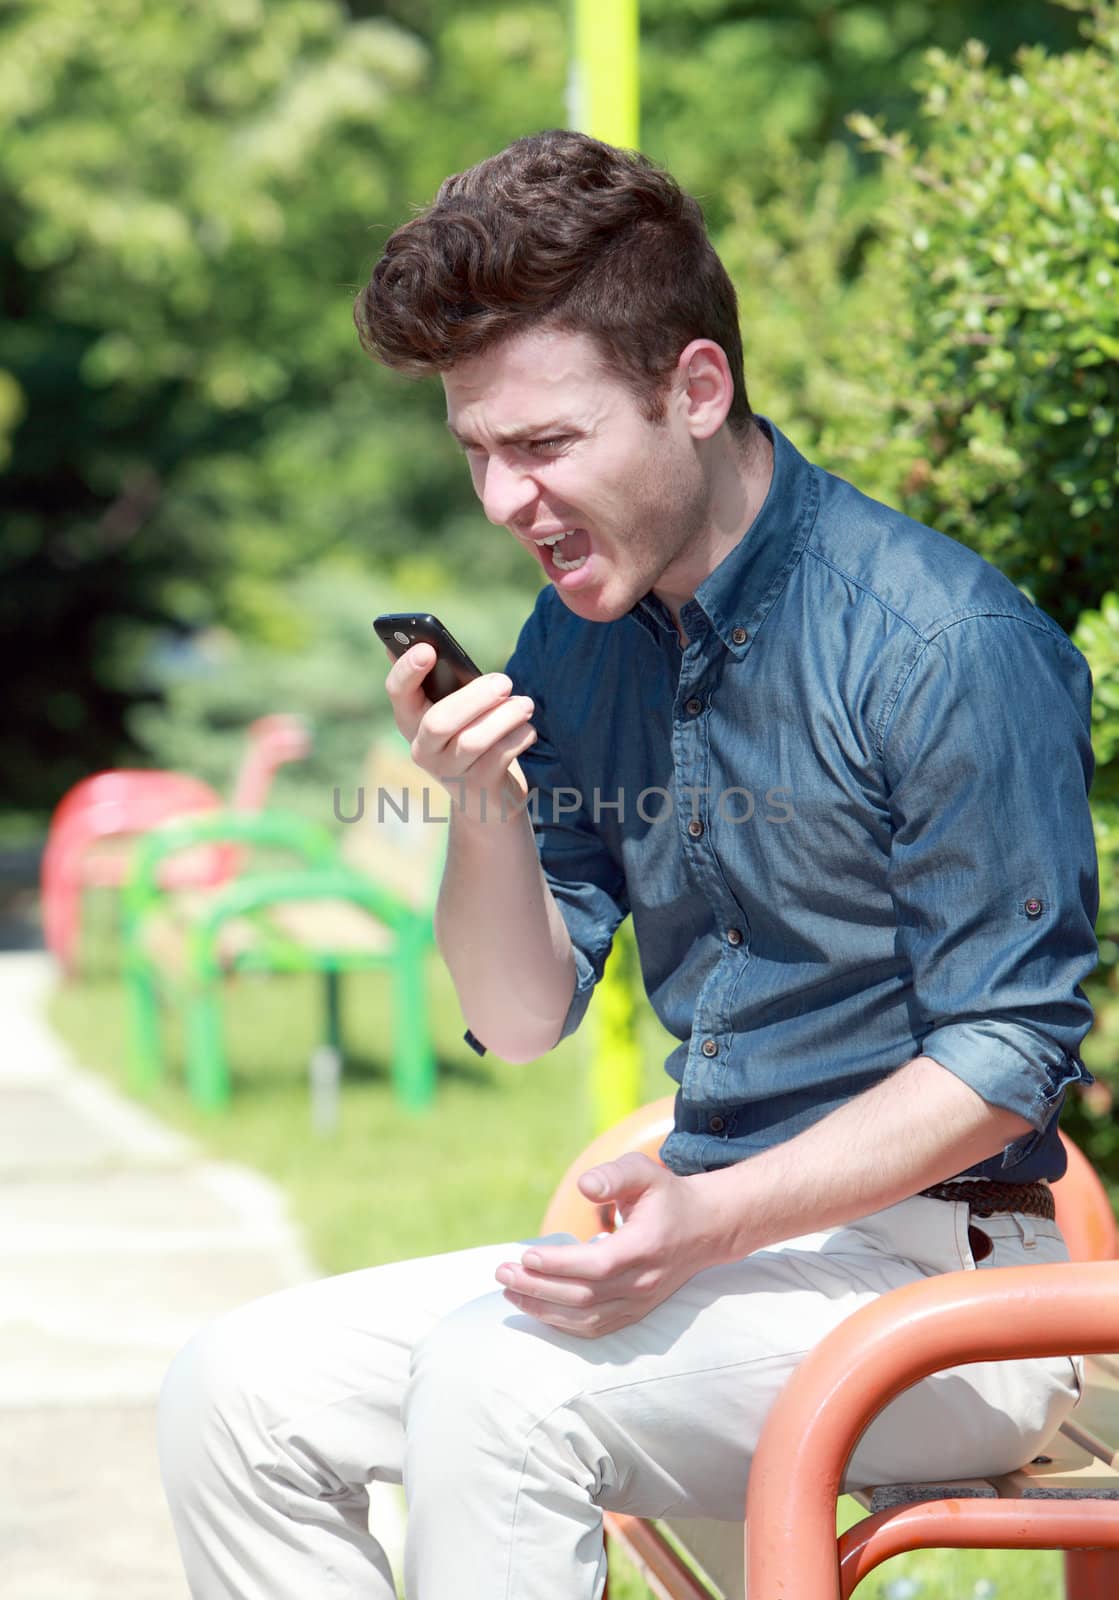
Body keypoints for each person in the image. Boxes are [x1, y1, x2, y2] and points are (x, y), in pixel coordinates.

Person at [158, 129, 1099, 1599]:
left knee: (499, 1385)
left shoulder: (942, 644)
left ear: (696, 388)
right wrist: (477, 805)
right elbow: (522, 1020)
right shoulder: (576, 644)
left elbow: (1009, 1055)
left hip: (955, 1296)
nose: (500, 502)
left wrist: (713, 1215)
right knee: (237, 1389)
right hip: (716, 1258)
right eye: (477, 452)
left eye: (543, 446)